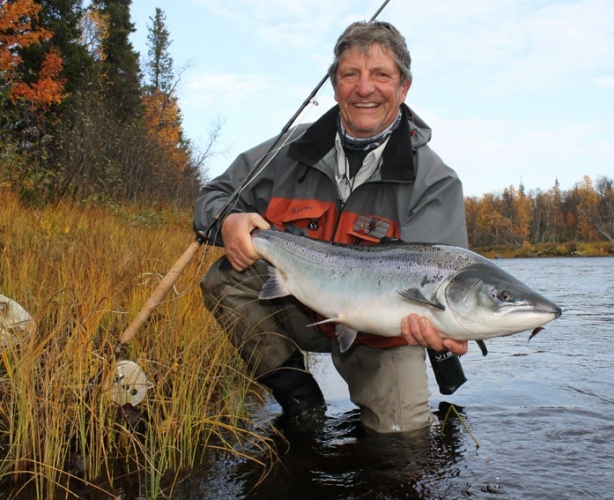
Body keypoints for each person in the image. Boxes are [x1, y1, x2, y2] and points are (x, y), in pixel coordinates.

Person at [194, 21, 469, 434]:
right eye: (350, 74)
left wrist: (447, 327)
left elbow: (449, 284)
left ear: (404, 87)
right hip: (299, 306)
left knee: (403, 442)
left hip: (382, 336)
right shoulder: (287, 150)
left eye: (381, 75)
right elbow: (211, 199)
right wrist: (228, 221)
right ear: (335, 84)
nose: (364, 88)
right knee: (224, 278)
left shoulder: (435, 181)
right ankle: (298, 395)